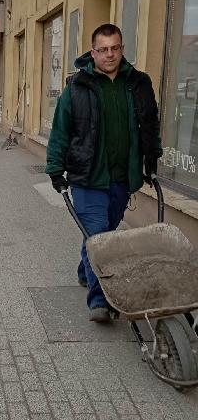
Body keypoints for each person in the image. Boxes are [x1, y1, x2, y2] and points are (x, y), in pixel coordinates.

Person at [46, 23, 162, 323]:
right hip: (87, 177)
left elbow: (150, 123)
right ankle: (101, 301)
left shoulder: (138, 83)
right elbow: (61, 130)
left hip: (122, 178)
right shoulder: (78, 87)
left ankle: (87, 270)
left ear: (122, 49)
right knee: (100, 236)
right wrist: (55, 168)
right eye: (103, 49)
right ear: (93, 52)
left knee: (103, 234)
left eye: (115, 48)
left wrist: (151, 159)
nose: (110, 54)